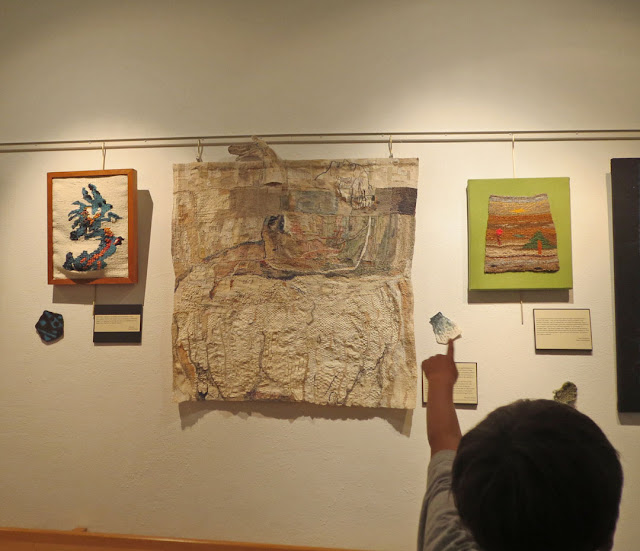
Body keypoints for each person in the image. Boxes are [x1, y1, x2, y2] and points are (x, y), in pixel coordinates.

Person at [418, 340, 623, 551]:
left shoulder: (448, 541)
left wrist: (439, 379)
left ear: (464, 513)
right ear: (608, 537)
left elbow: (444, 440)